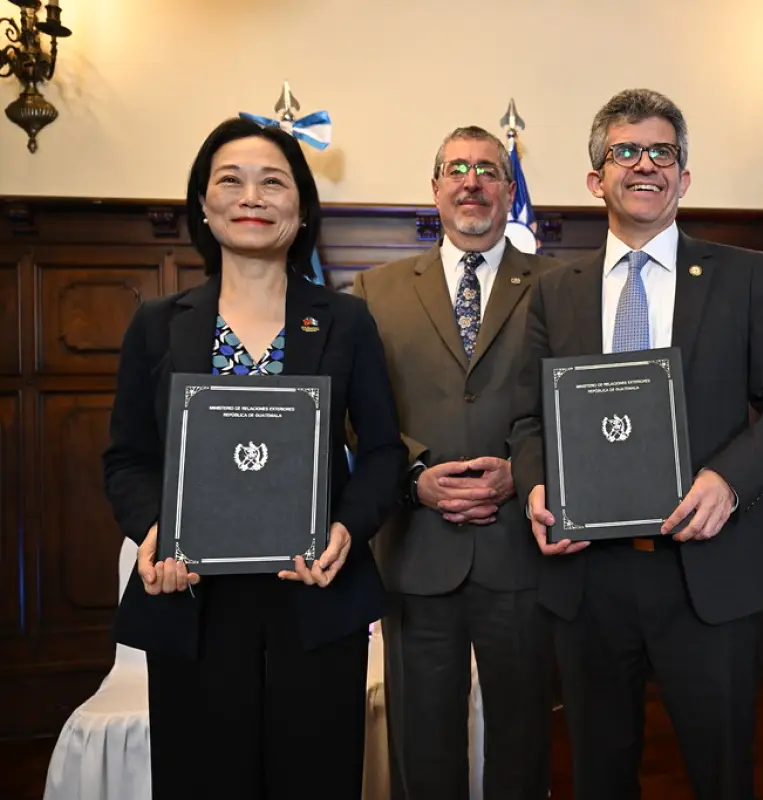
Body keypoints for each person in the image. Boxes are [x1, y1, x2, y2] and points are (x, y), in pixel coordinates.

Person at [509, 89, 763, 800]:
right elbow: (526, 419)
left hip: (707, 571)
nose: (644, 164)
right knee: (600, 775)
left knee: (721, 776)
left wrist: (729, 481)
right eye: (624, 151)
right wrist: (535, 488)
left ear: (683, 176)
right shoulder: (556, 292)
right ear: (597, 178)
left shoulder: (742, 277)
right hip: (589, 578)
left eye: (662, 152)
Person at [102, 116, 403, 800]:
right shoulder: (158, 323)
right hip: (192, 604)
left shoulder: (344, 321)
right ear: (203, 208)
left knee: (317, 780)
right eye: (230, 181)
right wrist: (155, 532)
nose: (252, 196)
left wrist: (347, 531)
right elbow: (126, 460)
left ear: (300, 209)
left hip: (315, 599)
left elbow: (383, 453)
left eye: (274, 182)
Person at [352, 125, 555, 800]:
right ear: (435, 188)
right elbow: (356, 410)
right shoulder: (374, 292)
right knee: (423, 741)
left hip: (521, 551)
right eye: (458, 168)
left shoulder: (558, 287)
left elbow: (572, 404)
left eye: (489, 170)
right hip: (417, 552)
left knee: (523, 739)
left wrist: (519, 471)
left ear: (509, 188)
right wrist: (414, 477)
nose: (473, 181)